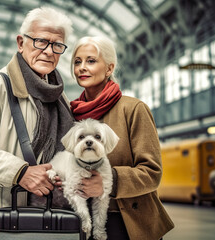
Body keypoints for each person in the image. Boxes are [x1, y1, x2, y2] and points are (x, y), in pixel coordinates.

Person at [0, 7, 74, 240]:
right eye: (41, 42)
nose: (49, 52)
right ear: (21, 43)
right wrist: (19, 173)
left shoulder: (61, 98)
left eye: (57, 45)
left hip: (56, 216)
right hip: (9, 218)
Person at [69, 36, 174, 240]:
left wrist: (110, 181)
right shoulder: (70, 114)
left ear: (109, 69)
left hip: (126, 222)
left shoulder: (133, 109)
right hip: (83, 221)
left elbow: (152, 173)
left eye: (91, 61)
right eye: (77, 61)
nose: (82, 67)